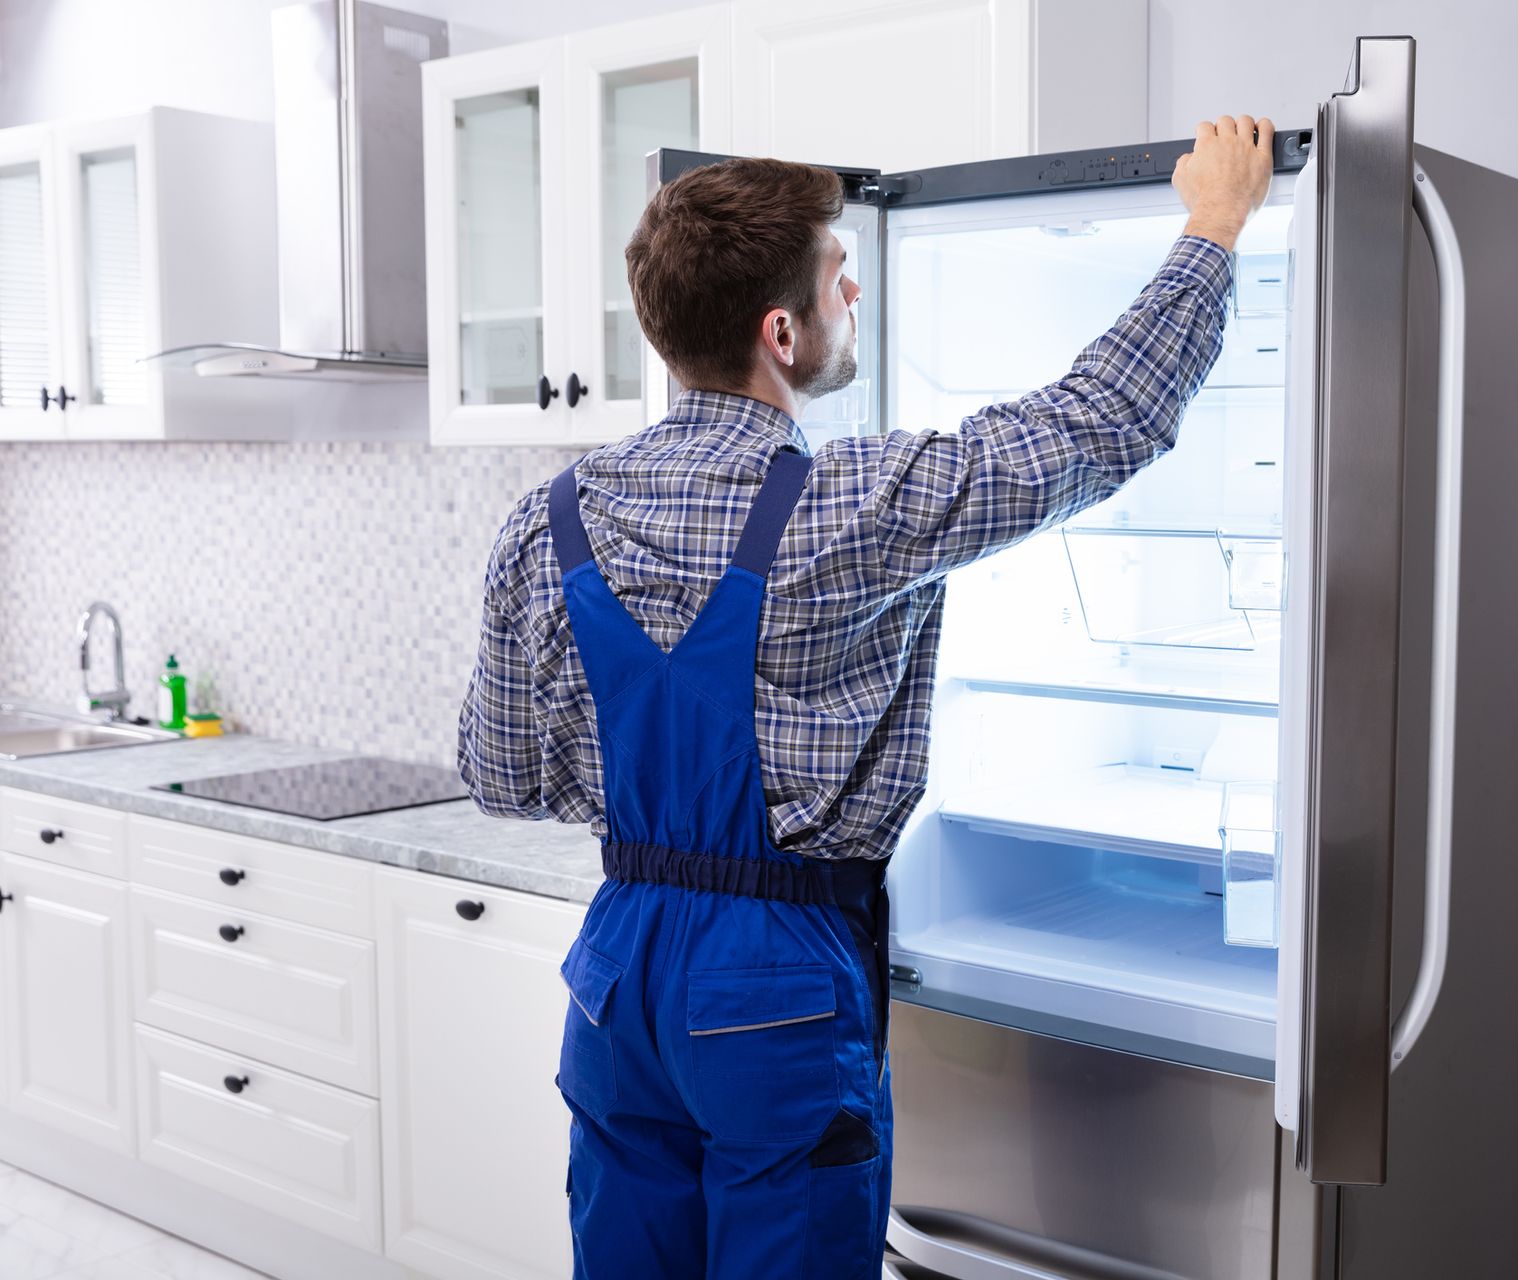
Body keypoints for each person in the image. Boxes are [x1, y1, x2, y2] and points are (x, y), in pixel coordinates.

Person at [457, 113, 1275, 1280]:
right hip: (776, 980)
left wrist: (652, 806)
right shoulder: (856, 503)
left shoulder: (547, 519)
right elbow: (1097, 422)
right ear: (780, 332)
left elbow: (500, 777)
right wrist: (1212, 225)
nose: (858, 299)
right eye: (844, 278)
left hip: (617, 979)